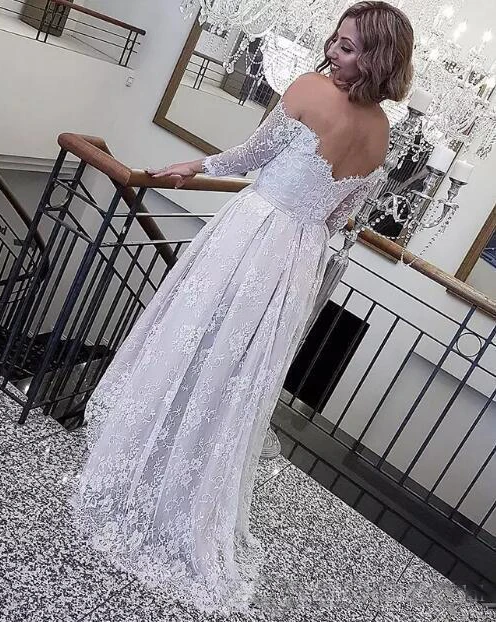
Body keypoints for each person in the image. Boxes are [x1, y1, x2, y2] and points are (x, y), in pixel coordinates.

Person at [69, 1, 414, 617]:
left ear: (378, 59)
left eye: (348, 47)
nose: (332, 53)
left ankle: (144, 464)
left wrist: (195, 165)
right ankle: (183, 486)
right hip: (299, 258)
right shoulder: (383, 133)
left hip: (253, 234)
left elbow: (248, 158)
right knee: (234, 370)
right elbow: (341, 216)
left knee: (193, 336)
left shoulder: (307, 89)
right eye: (335, 40)